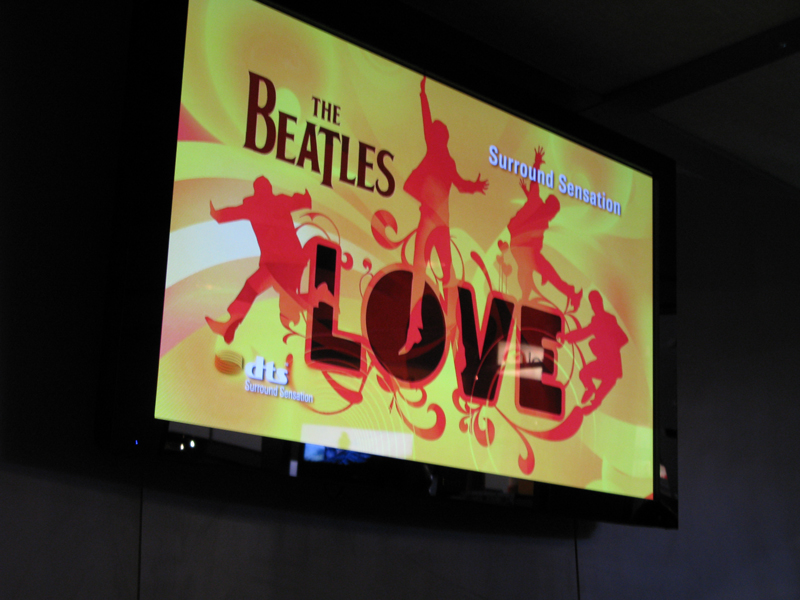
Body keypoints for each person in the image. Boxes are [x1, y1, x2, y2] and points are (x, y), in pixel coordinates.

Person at [400, 76, 488, 354]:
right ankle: (420, 328)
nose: (433, 136)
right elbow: (427, 124)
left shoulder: (441, 156)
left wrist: (423, 95)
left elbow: (460, 184)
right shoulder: (442, 156)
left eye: (436, 135)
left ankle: (449, 327)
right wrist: (422, 95)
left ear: (441, 138)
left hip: (433, 224)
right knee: (429, 273)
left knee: (433, 274)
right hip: (435, 222)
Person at [205, 176, 312, 344]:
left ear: (256, 190)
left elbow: (231, 213)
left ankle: (230, 324)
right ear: (269, 189)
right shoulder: (279, 201)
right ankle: (229, 325)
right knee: (283, 296)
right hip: (293, 261)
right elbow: (302, 201)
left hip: (277, 263)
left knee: (257, 289)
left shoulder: (253, 206)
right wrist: (305, 195)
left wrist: (217, 214)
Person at [508, 146, 582, 311]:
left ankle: (526, 299)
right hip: (522, 245)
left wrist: (526, 191)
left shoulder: (540, 214)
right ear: (549, 208)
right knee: (544, 270)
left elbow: (531, 198)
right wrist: (537, 162)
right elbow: (535, 182)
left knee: (532, 271)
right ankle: (568, 292)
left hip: (521, 247)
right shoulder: (537, 204)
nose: (552, 217)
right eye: (553, 213)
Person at [558, 291, 628, 412]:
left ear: (600, 303)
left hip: (611, 365)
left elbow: (623, 338)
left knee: (600, 389)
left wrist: (609, 348)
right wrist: (566, 336)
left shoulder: (607, 319)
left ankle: (592, 401)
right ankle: (590, 389)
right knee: (584, 374)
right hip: (604, 362)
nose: (594, 306)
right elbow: (583, 333)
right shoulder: (597, 321)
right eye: (592, 303)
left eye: (596, 302)